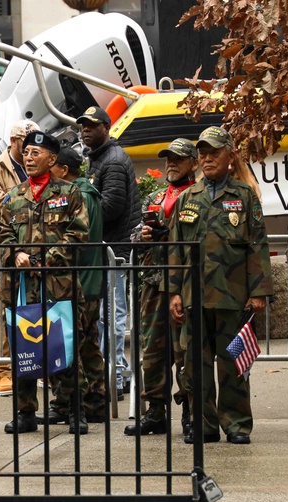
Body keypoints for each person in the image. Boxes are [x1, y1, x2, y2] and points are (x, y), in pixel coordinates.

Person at [169, 127, 272, 445]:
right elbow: (175, 248)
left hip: (234, 299)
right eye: (203, 152)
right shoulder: (187, 198)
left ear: (229, 155)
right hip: (193, 298)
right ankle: (204, 425)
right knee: (194, 366)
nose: (207, 158)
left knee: (234, 365)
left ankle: (237, 424)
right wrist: (173, 291)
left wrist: (258, 291)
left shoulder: (243, 197)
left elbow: (258, 246)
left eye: (214, 152)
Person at [0, 131, 90, 435]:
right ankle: (25, 412)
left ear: (52, 159)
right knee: (24, 347)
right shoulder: (13, 197)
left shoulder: (69, 193)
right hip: (24, 287)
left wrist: (46, 258)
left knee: (64, 345)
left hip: (58, 285)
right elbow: (3, 236)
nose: (29, 158)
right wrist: (17, 253)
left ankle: (75, 409)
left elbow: (79, 235)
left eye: (36, 153)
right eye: (25, 153)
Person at [126, 138, 198, 437]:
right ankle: (155, 410)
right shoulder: (155, 197)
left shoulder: (199, 196)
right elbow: (132, 237)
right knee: (152, 351)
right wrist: (140, 236)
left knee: (186, 352)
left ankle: (191, 412)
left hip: (186, 283)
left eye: (178, 159)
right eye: (168, 158)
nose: (171, 163)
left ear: (193, 163)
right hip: (154, 283)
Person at [78, 106, 138, 399]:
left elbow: (111, 206)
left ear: (106, 126)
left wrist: (81, 218)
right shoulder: (100, 158)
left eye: (91, 125)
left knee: (111, 315)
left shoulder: (112, 161)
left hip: (114, 249)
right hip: (107, 248)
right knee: (107, 314)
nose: (85, 130)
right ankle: (114, 369)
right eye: (82, 126)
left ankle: (116, 373)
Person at [0, 119, 40, 397]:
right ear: (14, 142)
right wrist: (23, 200)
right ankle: (3, 371)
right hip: (4, 253)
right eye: (26, 145)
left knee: (36, 309)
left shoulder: (39, 166)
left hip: (35, 252)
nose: (30, 152)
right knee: (4, 311)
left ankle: (37, 366)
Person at [49, 146, 107, 425]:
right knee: (88, 344)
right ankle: (96, 401)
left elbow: (77, 242)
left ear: (63, 170)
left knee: (72, 344)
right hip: (91, 278)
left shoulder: (78, 196)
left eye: (53, 165)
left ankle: (70, 402)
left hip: (80, 280)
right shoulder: (90, 194)